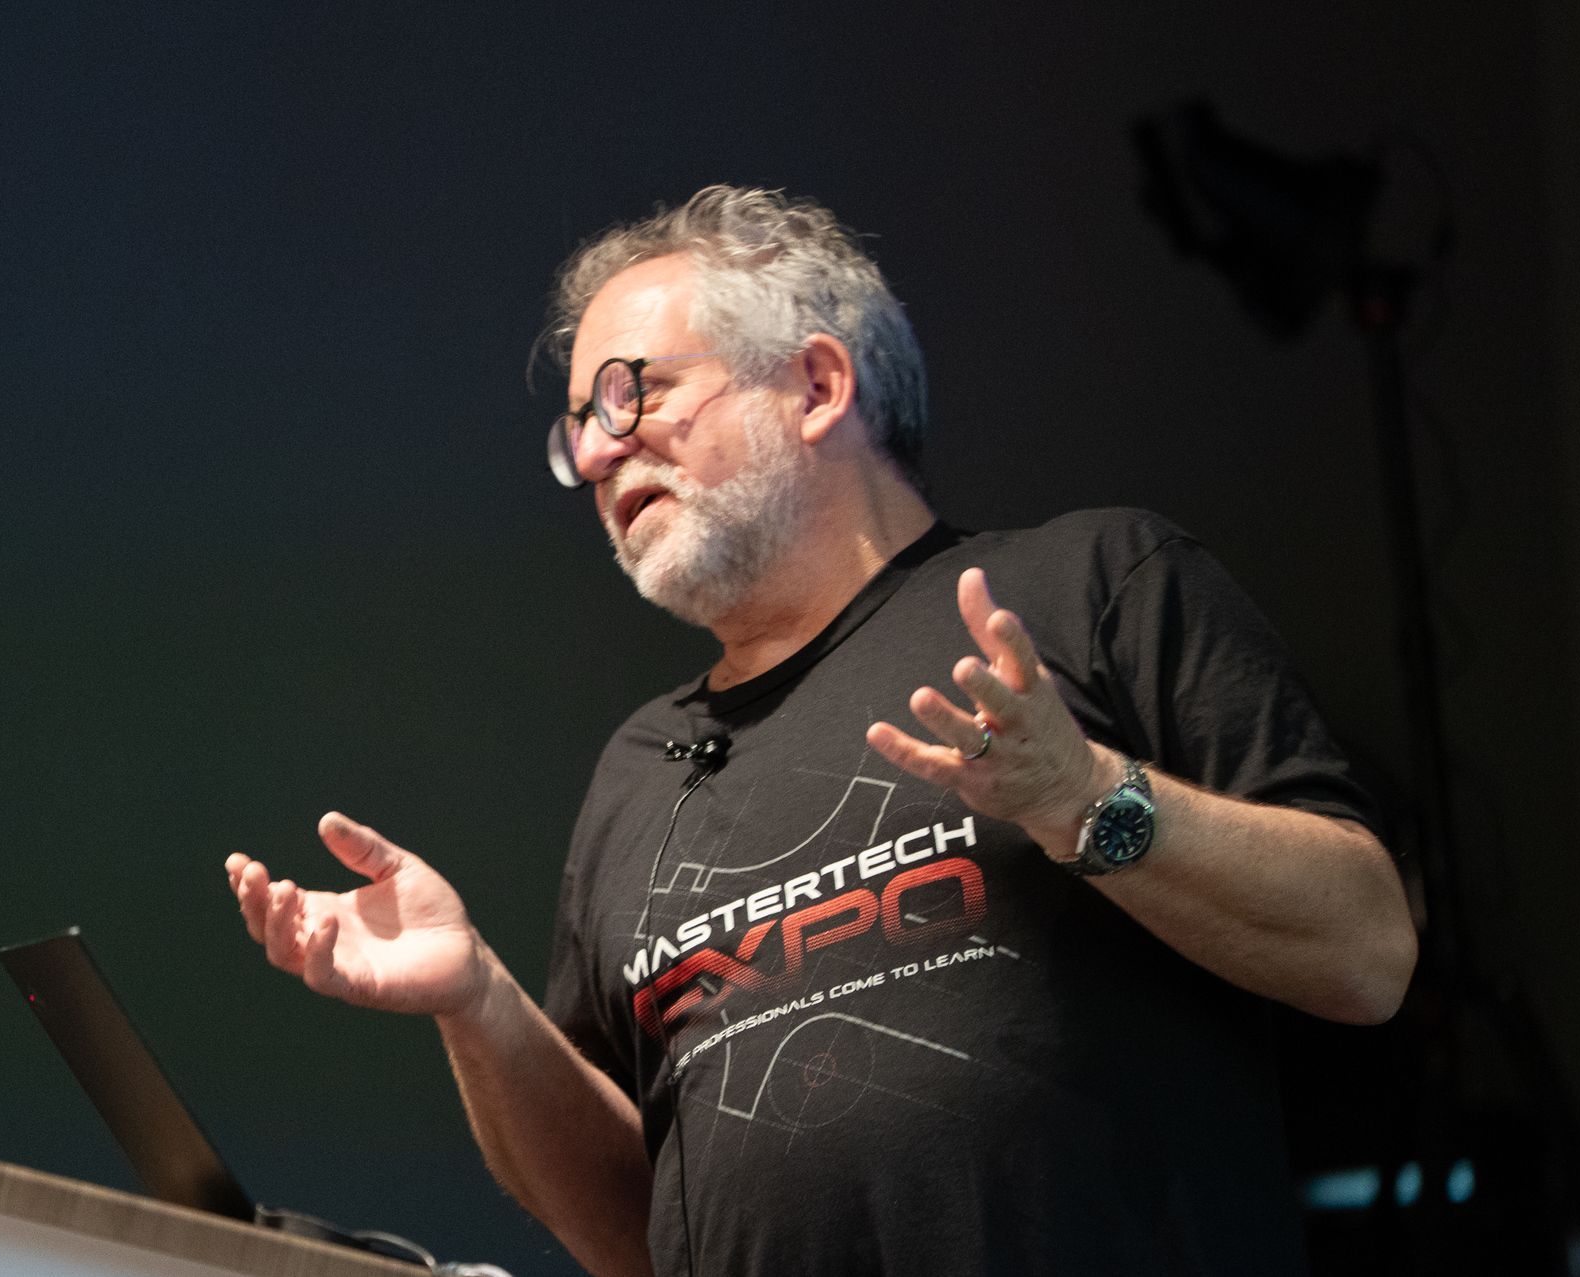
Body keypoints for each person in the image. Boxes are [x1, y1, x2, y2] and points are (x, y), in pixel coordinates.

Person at [226, 186, 1417, 1276]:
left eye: (631, 392)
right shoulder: (639, 772)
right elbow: (630, 1235)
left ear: (817, 386)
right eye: (579, 427)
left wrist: (1084, 797)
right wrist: (477, 999)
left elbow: (1367, 952)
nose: (595, 451)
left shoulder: (1086, 583)